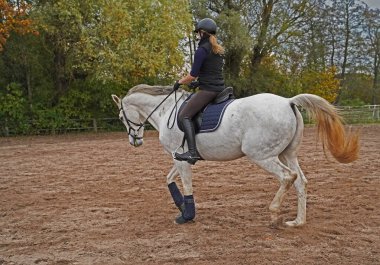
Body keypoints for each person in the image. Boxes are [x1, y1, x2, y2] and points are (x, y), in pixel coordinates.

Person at [173, 18, 225, 165]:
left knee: (184, 116)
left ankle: (192, 152)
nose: (197, 36)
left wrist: (179, 82)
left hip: (209, 90)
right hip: (219, 88)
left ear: (202, 33)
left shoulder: (202, 50)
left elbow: (192, 75)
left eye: (198, 33)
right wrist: (199, 83)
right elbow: (212, 73)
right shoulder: (218, 50)